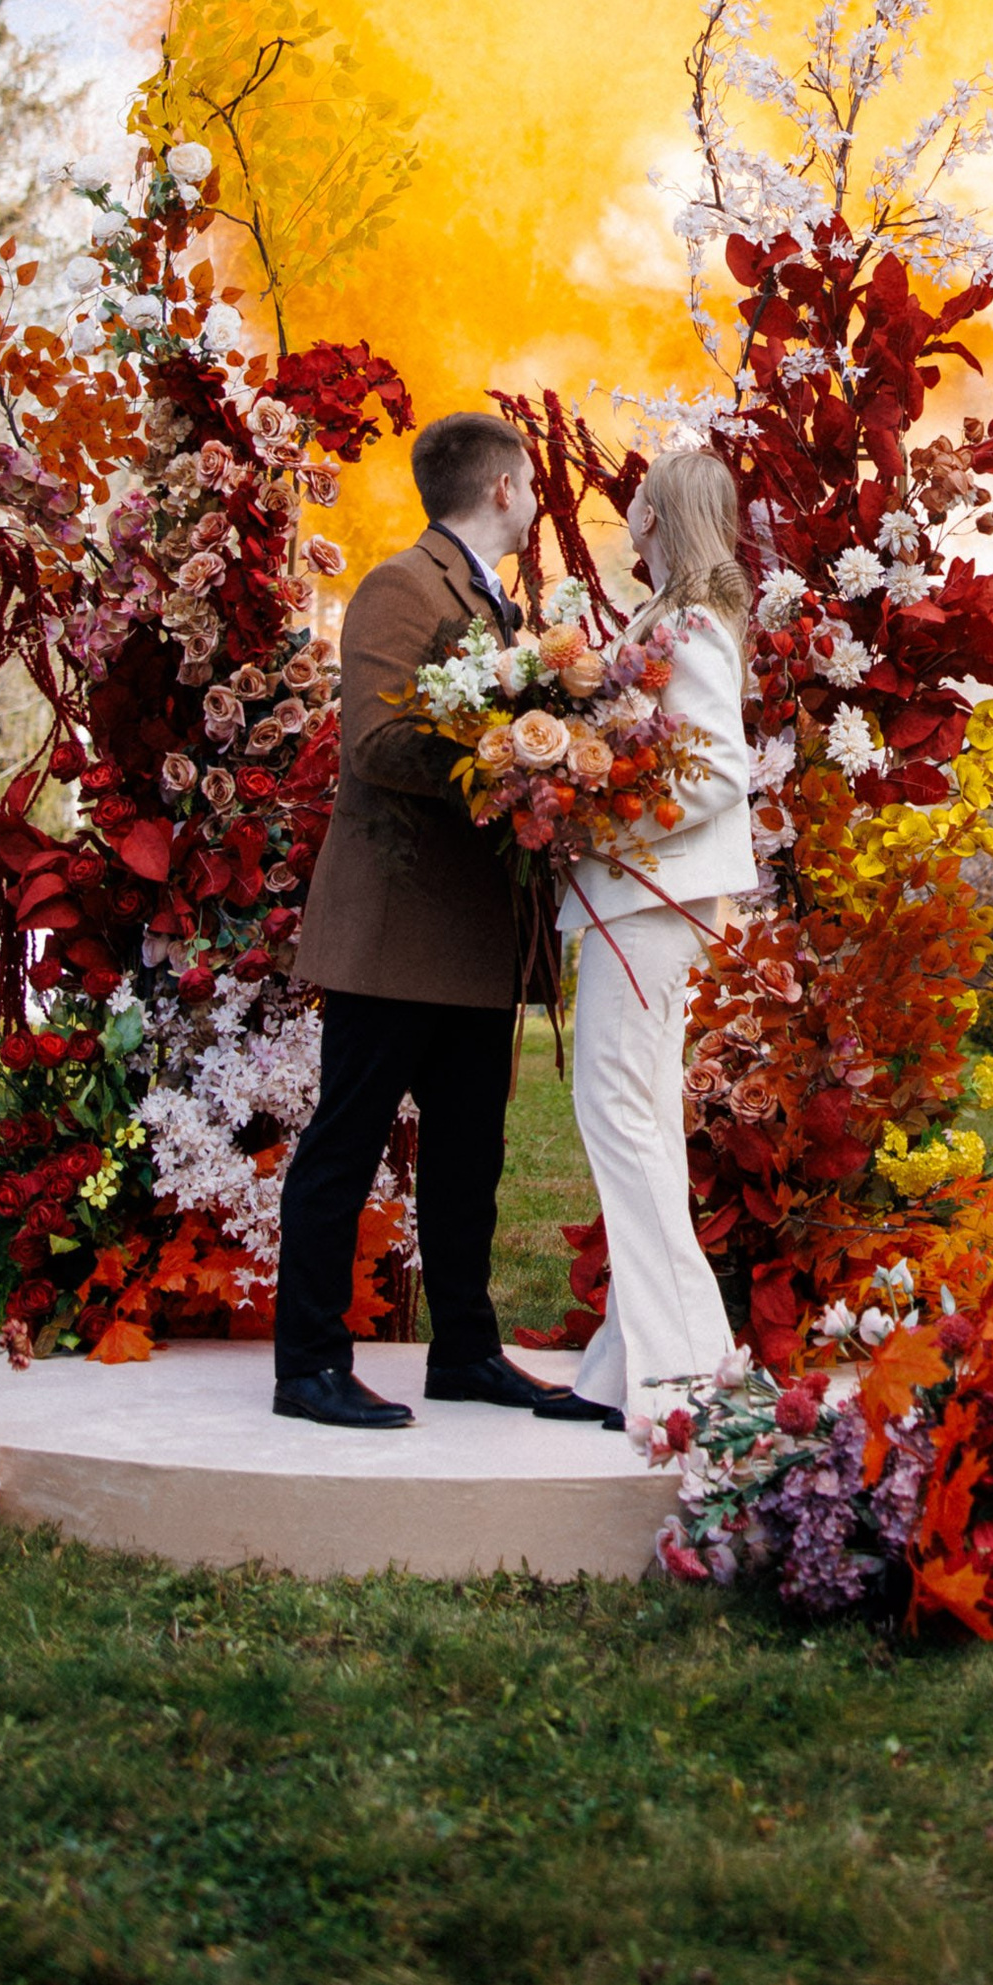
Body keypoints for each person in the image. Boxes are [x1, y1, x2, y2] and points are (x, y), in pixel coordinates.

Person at [272, 410, 583, 1431]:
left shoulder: (494, 601)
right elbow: (376, 741)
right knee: (346, 1144)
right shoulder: (402, 586)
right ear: (501, 488)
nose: (535, 500)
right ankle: (307, 1366)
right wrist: (510, 754)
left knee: (469, 1157)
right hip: (395, 932)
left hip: (472, 937)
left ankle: (465, 1353)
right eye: (529, 482)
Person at [555, 452, 749, 1429]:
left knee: (619, 1116)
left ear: (662, 516)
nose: (626, 512)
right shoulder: (668, 618)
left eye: (638, 501)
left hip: (647, 902)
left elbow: (718, 769)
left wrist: (602, 817)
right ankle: (623, 1364)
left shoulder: (690, 627)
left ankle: (686, 1370)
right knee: (639, 1124)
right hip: (640, 904)